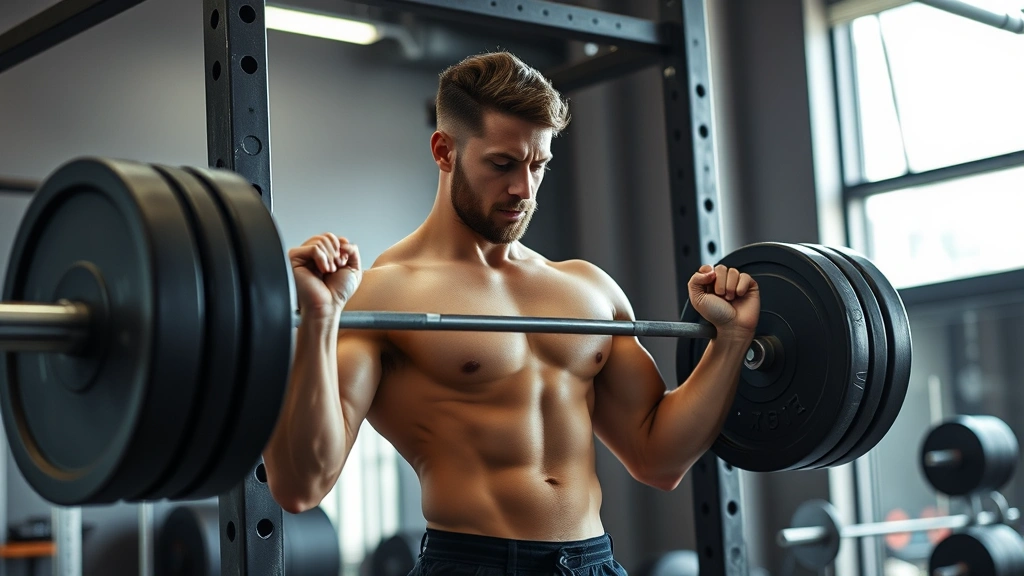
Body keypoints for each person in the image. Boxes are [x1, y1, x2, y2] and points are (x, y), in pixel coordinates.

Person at [262, 51, 759, 575]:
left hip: (594, 562)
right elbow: (300, 486)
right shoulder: (386, 296)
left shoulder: (586, 288)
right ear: (444, 150)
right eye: (502, 164)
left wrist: (730, 340)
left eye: (538, 165)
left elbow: (658, 457)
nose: (523, 189)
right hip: (473, 564)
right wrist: (320, 317)